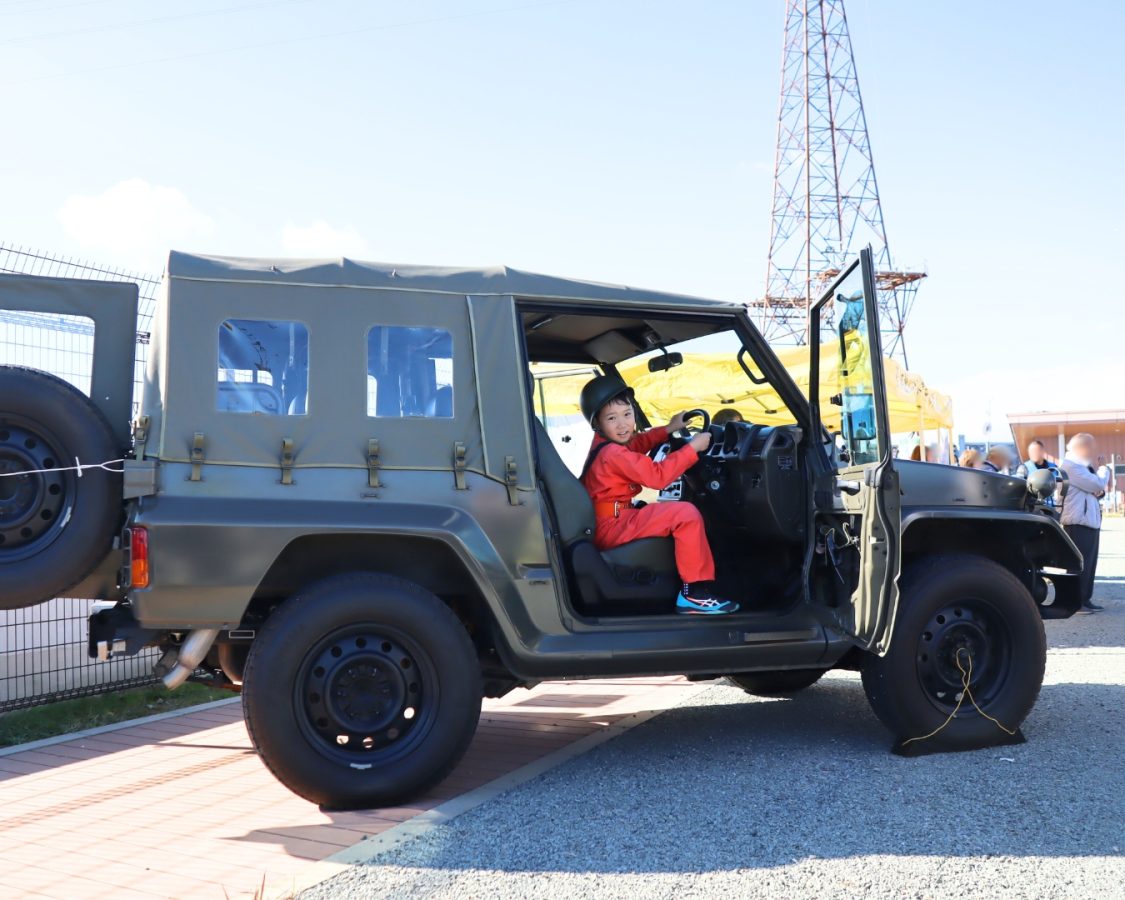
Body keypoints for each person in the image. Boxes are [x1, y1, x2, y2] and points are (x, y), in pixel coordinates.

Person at [578, 374, 738, 616]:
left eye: (627, 415)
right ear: (598, 425)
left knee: (666, 510)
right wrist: (692, 448)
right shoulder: (613, 454)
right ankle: (693, 593)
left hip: (606, 521)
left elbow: (637, 443)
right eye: (612, 418)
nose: (623, 425)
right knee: (684, 513)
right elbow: (659, 476)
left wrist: (670, 428)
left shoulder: (606, 445)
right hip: (611, 526)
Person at [1059, 433, 1105, 613]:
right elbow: (1097, 484)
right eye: (1090, 447)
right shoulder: (1071, 467)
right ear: (1080, 448)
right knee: (1078, 564)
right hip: (1077, 522)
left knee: (1089, 564)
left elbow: (1097, 490)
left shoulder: (1081, 467)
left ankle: (1085, 599)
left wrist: (1098, 488)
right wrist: (1103, 469)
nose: (1093, 451)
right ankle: (1076, 603)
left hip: (1088, 521)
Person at [1016, 440, 1061, 506]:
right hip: (1032, 507)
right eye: (1031, 452)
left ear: (1042, 452)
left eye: (1035, 451)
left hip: (1052, 506)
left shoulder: (1054, 467)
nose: (1033, 454)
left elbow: (1060, 486)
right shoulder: (1023, 468)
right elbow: (1019, 488)